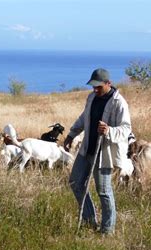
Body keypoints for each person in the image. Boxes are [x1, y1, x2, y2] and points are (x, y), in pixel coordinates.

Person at [64, 68, 131, 235]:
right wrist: (72, 134)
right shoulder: (92, 97)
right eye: (93, 86)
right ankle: (89, 219)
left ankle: (107, 230)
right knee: (75, 183)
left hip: (104, 153)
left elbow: (126, 129)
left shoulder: (118, 102)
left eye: (98, 87)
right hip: (87, 148)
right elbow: (83, 117)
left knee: (104, 191)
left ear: (108, 84)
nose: (95, 90)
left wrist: (109, 130)